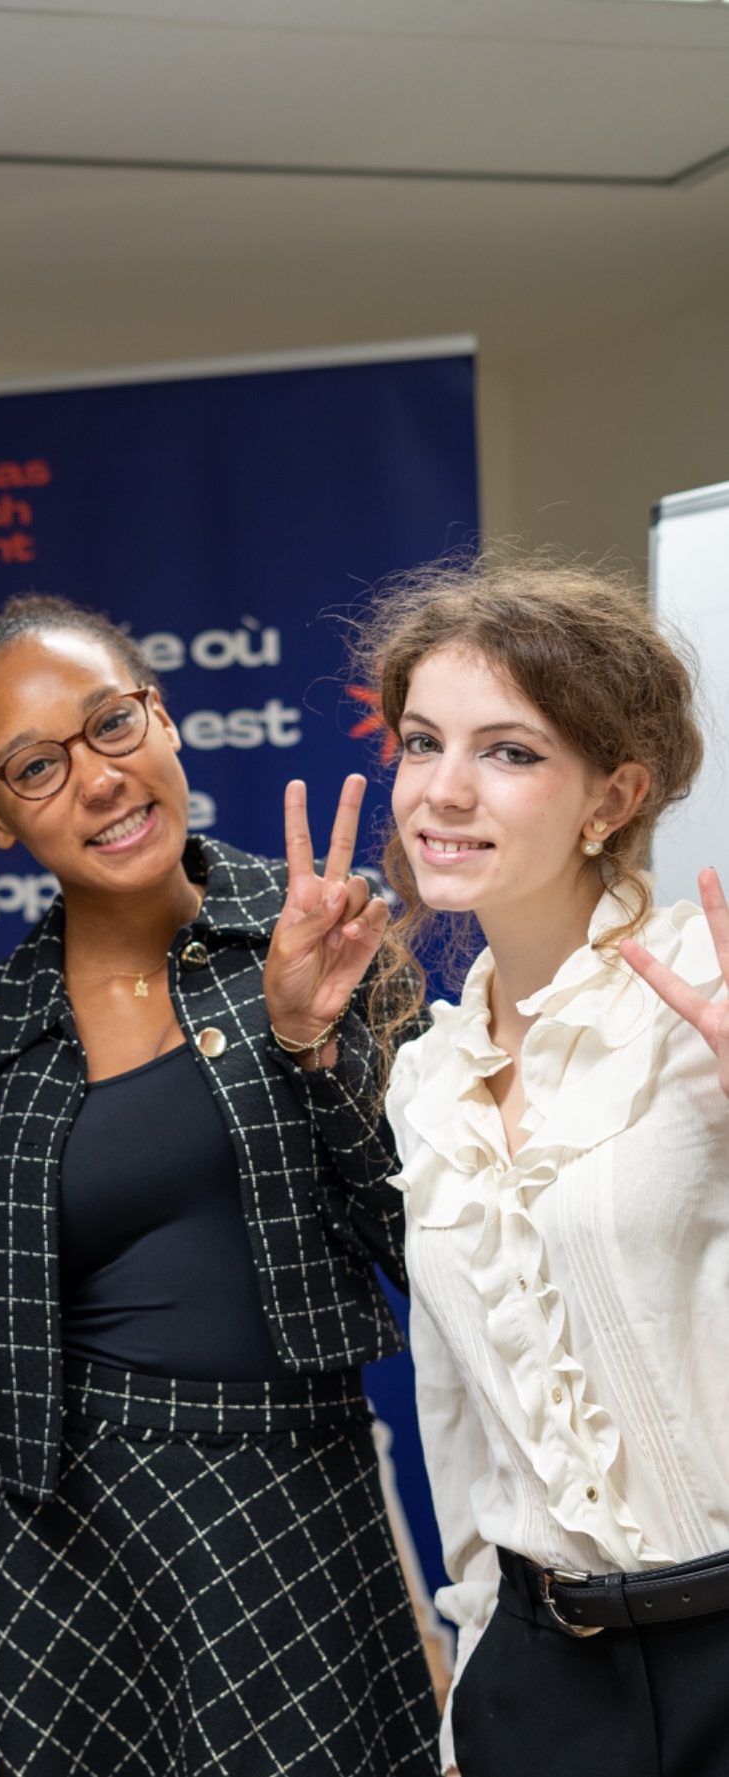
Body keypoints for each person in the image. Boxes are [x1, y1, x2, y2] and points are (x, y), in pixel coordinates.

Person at [0, 594, 440, 1777]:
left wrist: (308, 1043)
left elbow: (429, 1258)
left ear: (167, 718)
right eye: (37, 766)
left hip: (294, 1523)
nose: (97, 778)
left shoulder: (325, 942)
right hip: (61, 1564)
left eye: (111, 724)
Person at [350, 556, 728, 1777]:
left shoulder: (706, 1003)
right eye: (421, 743)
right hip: (537, 1685)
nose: (442, 793)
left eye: (507, 752)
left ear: (610, 795)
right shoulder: (423, 1077)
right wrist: (472, 1695)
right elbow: (458, 1419)